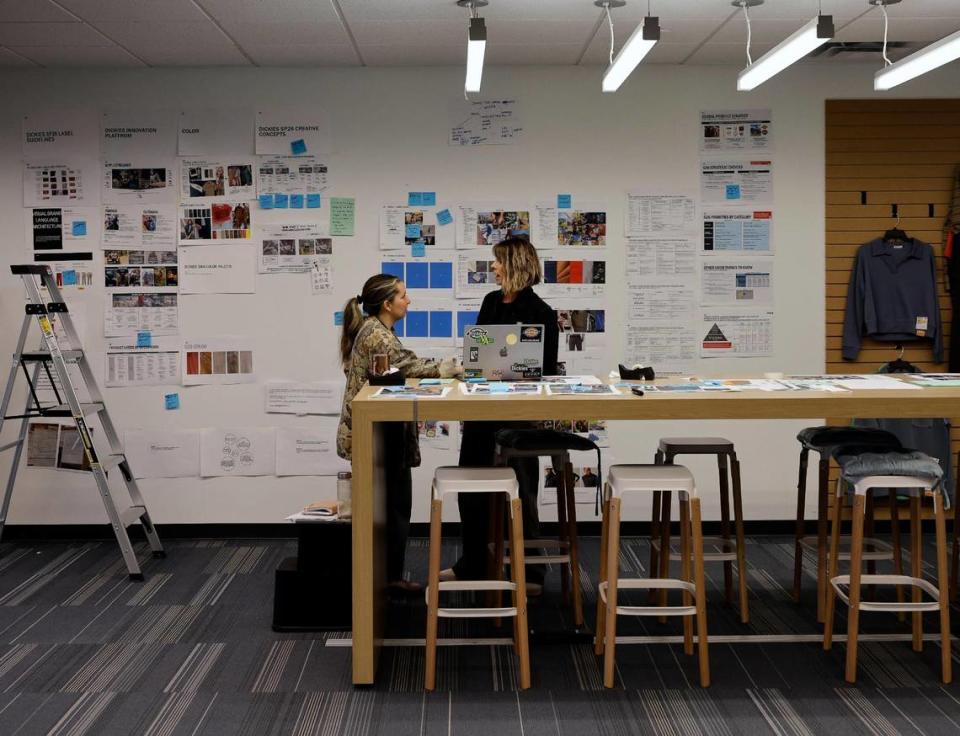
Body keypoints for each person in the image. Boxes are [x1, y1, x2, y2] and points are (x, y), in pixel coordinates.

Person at [445, 236, 559, 592]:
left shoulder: (541, 312)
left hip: (518, 416)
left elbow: (546, 369)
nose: (492, 267)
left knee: (522, 493)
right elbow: (479, 355)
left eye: (497, 262)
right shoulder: (490, 301)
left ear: (514, 265)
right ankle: (473, 564)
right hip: (482, 409)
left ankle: (531, 571)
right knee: (472, 488)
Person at [337, 274, 462, 594]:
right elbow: (408, 365)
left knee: (391, 506)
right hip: (377, 435)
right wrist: (446, 368)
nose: (408, 301)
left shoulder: (376, 331)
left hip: (379, 431)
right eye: (403, 296)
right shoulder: (377, 336)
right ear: (387, 304)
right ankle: (387, 579)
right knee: (393, 507)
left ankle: (386, 577)